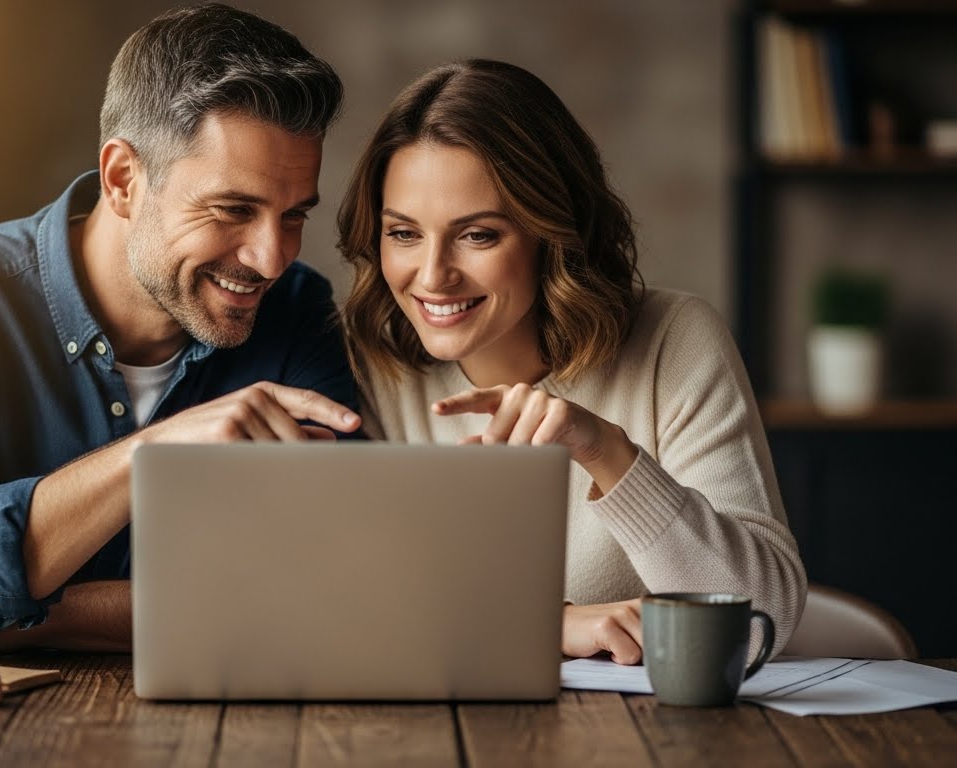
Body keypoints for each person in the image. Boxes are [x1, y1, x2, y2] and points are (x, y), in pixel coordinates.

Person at [0, 4, 361, 653]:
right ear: (123, 179)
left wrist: (41, 616)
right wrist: (150, 455)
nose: (272, 258)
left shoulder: (296, 312)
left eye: (293, 215)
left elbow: (333, 591)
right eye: (232, 210)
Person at [337, 59, 806, 663]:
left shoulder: (675, 340)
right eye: (403, 233)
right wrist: (544, 624)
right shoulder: (365, 363)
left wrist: (606, 454)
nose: (432, 277)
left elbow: (763, 619)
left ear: (553, 232)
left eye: (478, 235)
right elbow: (356, 606)